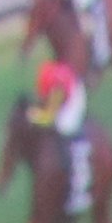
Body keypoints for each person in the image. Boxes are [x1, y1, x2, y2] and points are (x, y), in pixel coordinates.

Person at [30, 60, 92, 214]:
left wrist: (35, 116)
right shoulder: (48, 78)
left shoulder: (57, 89)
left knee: (64, 126)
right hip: (66, 85)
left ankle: (80, 191)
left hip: (74, 97)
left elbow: (48, 117)